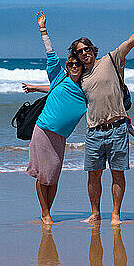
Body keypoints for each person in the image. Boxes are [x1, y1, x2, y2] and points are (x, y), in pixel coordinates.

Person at [70, 11, 134, 225]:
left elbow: (131, 41)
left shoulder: (111, 59)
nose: (84, 53)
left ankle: (116, 214)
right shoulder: (79, 77)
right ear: (77, 55)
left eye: (87, 49)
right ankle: (96, 213)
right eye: (80, 52)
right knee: (93, 175)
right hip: (94, 132)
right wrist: (35, 88)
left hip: (117, 129)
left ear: (93, 49)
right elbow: (58, 90)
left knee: (118, 174)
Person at [22, 11, 87, 225]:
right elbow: (50, 54)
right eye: (71, 64)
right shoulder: (60, 76)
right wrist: (43, 30)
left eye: (77, 65)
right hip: (42, 131)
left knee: (54, 176)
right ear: (67, 67)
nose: (74, 67)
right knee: (43, 175)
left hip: (60, 136)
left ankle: (48, 210)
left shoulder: (86, 87)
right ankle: (45, 213)